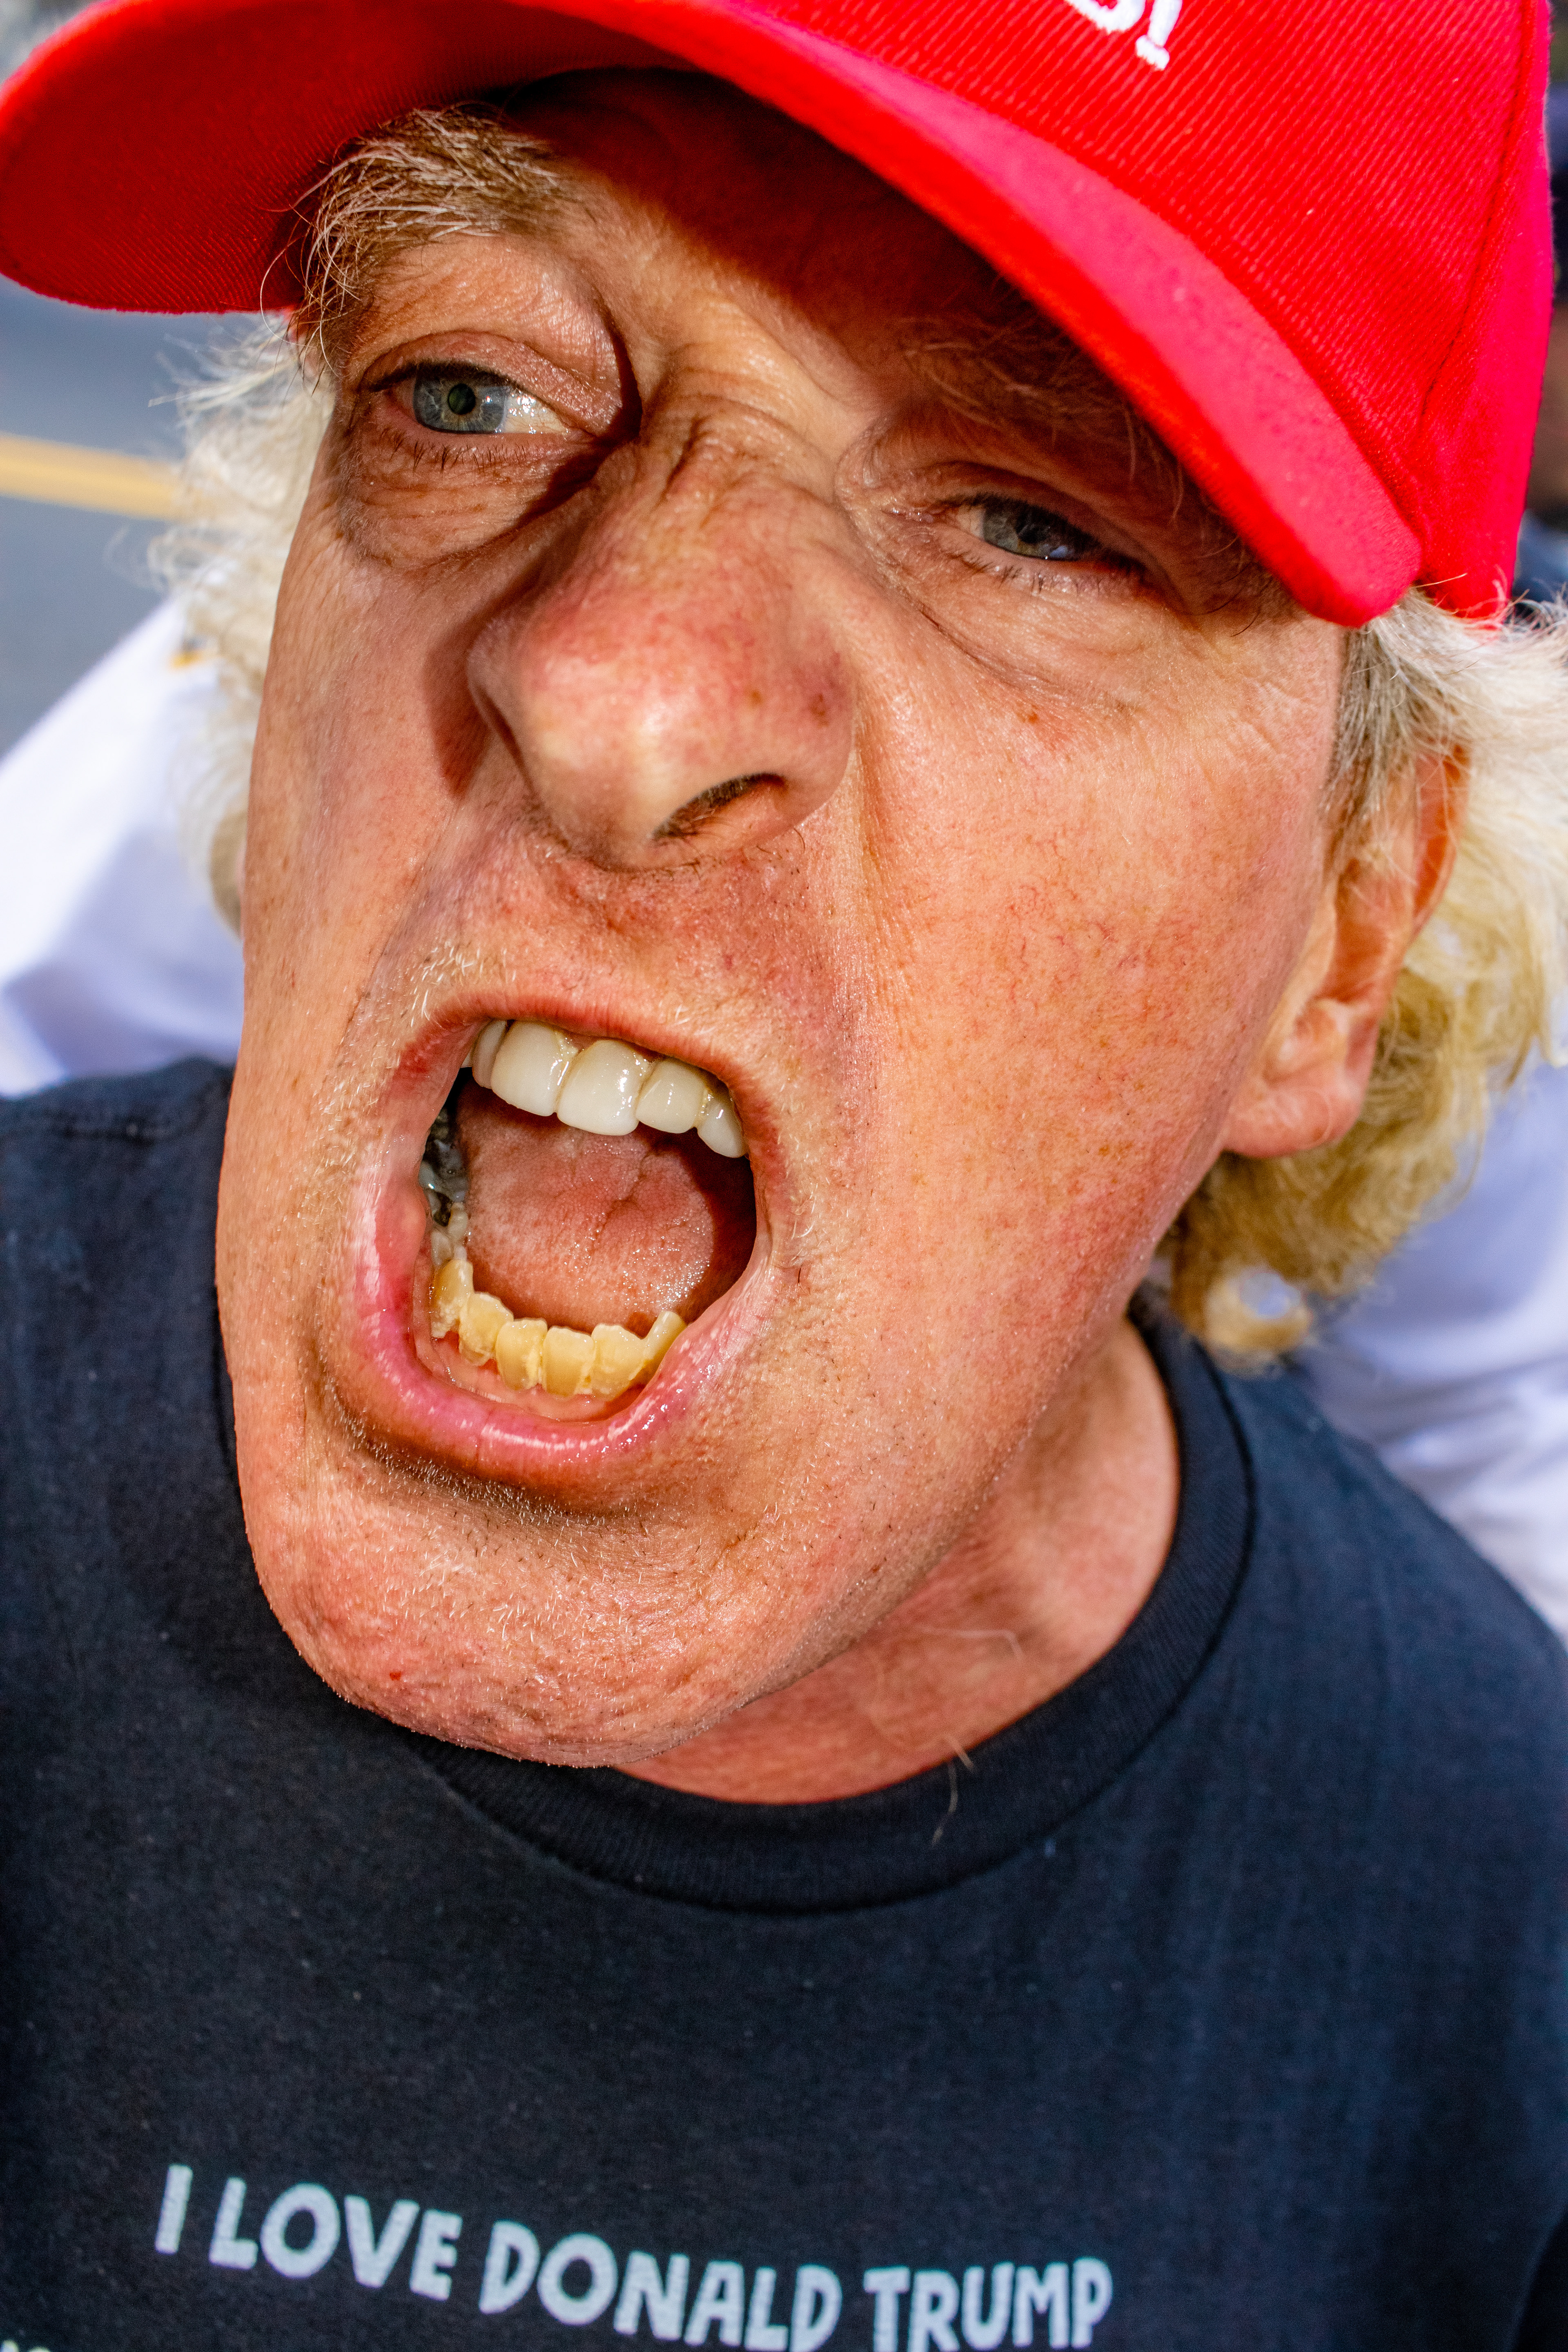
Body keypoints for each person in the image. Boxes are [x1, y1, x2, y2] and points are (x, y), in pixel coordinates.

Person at [0, 0, 1565, 2342]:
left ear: (1345, 934)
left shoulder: (1493, 1955)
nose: (612, 702)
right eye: (466, 394)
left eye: (1035, 517)